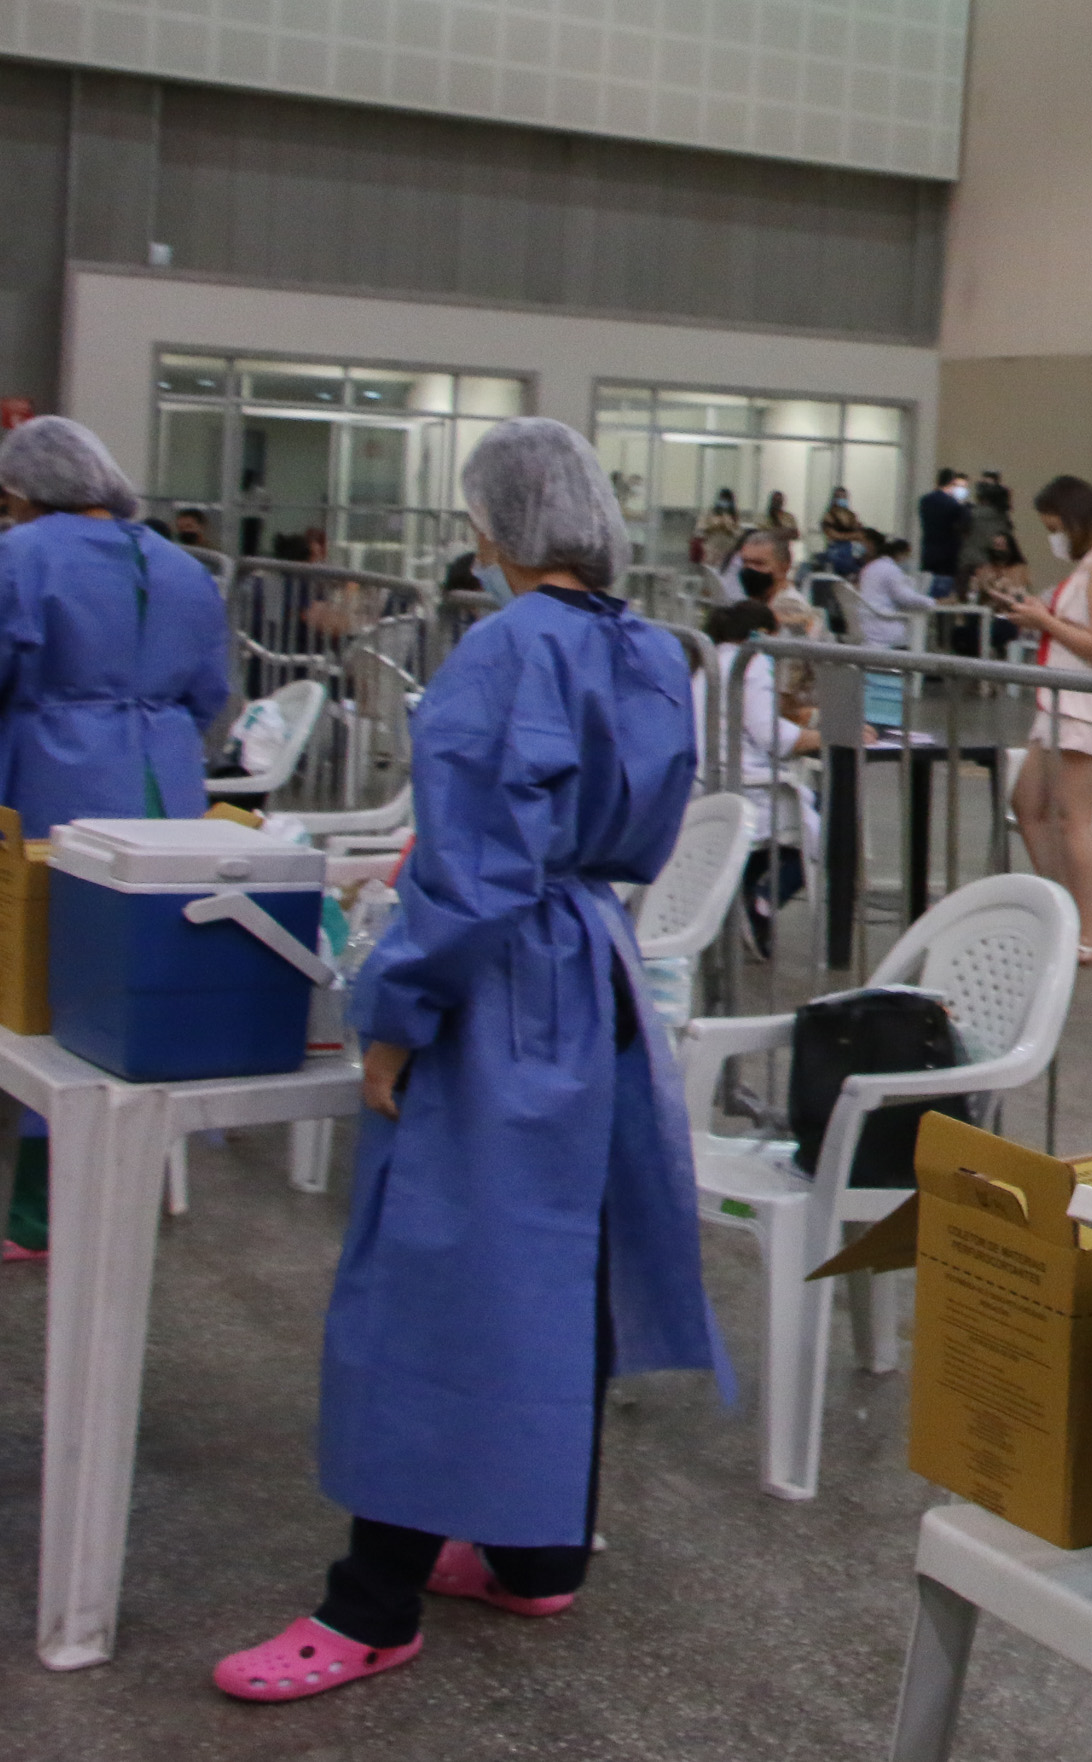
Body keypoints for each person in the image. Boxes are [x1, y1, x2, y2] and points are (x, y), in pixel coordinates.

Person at [213, 417, 727, 1702]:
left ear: (491, 532)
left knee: (440, 1273)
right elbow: (609, 827)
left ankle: (370, 1600)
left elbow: (479, 865)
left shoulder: (502, 649)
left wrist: (395, 1013)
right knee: (566, 1267)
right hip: (594, 967)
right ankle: (534, 1548)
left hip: (499, 986)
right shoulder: (653, 649)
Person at [0, 416, 230, 1264]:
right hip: (165, 783)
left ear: (20, 491)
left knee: (48, 992)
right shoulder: (181, 566)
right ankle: (144, 1168)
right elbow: (210, 691)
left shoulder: (19, 557)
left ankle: (36, 1213)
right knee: (145, 977)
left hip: (58, 779)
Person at [992, 474, 1092, 965]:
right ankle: (1060, 910)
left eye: (1055, 527)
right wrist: (1040, 612)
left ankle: (1090, 933)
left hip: (1084, 707)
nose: (1053, 537)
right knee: (1027, 801)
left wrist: (1044, 622)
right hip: (1059, 702)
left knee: (1074, 819)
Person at [700, 596, 818, 958]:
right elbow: (768, 732)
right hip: (747, 783)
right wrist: (823, 736)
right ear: (763, 634)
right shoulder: (752, 662)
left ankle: (748, 898)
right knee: (828, 826)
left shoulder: (707, 658)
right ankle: (765, 901)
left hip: (707, 780)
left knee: (762, 841)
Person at [852, 532, 940, 649]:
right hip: (885, 626)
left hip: (867, 623)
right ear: (900, 554)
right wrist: (935, 602)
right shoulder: (891, 570)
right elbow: (905, 598)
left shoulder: (870, 567)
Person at [919, 467, 970, 595]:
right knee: (944, 596)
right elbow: (964, 527)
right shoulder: (954, 505)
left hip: (929, 553)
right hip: (948, 557)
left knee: (929, 591)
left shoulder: (925, 500)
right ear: (952, 483)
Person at [818, 488, 866, 576]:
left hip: (850, 549)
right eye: (839, 497)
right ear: (834, 499)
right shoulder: (829, 516)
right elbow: (833, 535)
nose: (842, 499)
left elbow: (859, 533)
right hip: (835, 550)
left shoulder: (851, 515)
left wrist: (852, 535)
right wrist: (851, 536)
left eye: (844, 497)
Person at [695, 486, 745, 571]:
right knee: (710, 571)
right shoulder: (710, 512)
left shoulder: (734, 515)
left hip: (728, 550)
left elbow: (739, 534)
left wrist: (729, 526)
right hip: (711, 548)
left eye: (727, 500)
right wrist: (713, 525)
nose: (724, 502)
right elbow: (699, 530)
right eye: (722, 499)